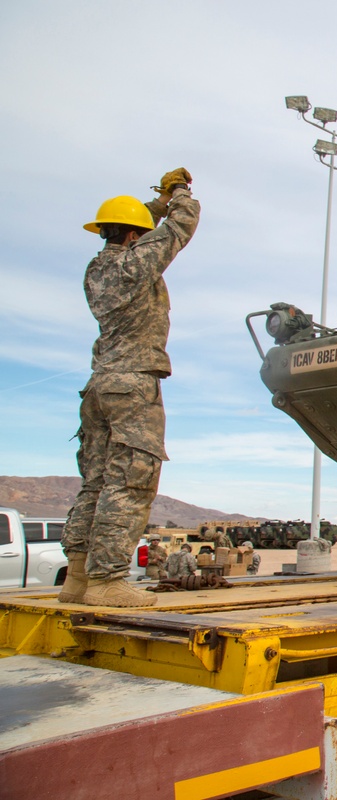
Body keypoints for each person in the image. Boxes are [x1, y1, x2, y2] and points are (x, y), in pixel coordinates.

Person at [59, 168, 200, 608]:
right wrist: (177, 193)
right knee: (130, 483)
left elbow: (145, 232)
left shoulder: (96, 269)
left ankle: (78, 578)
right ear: (136, 234)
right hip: (133, 384)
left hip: (99, 384)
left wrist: (150, 207)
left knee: (96, 483)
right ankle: (108, 581)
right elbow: (182, 223)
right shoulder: (137, 264)